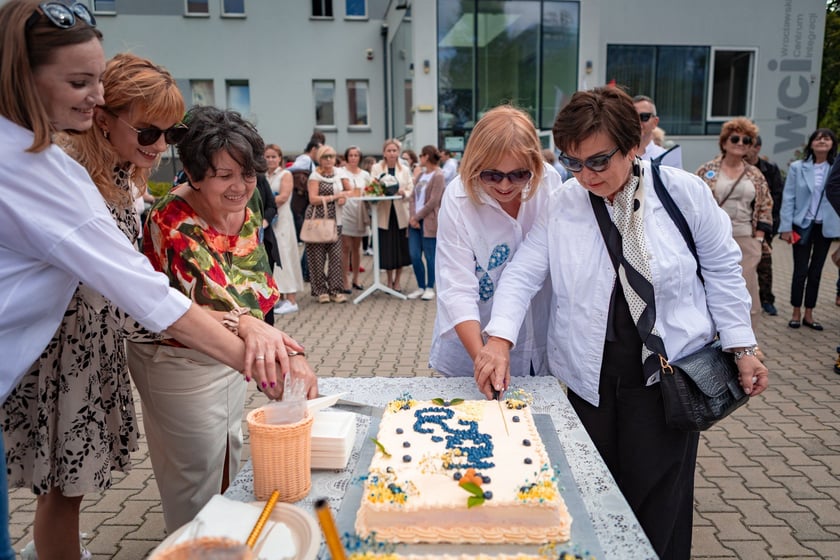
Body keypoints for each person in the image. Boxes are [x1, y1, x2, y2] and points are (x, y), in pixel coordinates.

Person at [0, 2, 296, 558]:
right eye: (151, 130)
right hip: (65, 351)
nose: (163, 146)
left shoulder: (116, 172)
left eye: (174, 132)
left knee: (75, 487)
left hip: (98, 343)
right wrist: (254, 352)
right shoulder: (60, 174)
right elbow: (145, 293)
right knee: (66, 488)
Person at [476, 87, 768, 560]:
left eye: (598, 161)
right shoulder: (563, 203)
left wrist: (742, 347)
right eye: (572, 162)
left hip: (668, 380)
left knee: (659, 503)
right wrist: (499, 338)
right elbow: (524, 272)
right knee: (593, 496)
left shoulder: (682, 193)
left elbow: (722, 269)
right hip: (591, 381)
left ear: (633, 146)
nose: (585, 175)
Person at [126, 105, 319, 533]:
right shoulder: (172, 220)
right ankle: (192, 543)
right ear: (194, 174)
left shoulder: (247, 210)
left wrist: (281, 348)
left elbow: (253, 299)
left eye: (248, 174)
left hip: (233, 358)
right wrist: (283, 368)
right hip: (178, 361)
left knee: (229, 453)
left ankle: (227, 540)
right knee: (194, 476)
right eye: (224, 175)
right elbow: (207, 309)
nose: (240, 187)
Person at [429, 105, 560, 378]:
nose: (504, 186)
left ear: (534, 166)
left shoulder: (549, 183)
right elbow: (457, 288)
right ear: (475, 165)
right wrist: (484, 362)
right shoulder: (458, 198)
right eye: (492, 175)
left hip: (535, 337)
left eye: (519, 175)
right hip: (471, 344)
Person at [696, 117, 772, 353]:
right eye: (735, 138)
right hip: (714, 238)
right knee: (712, 286)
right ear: (724, 141)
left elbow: (766, 206)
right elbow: (694, 204)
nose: (740, 143)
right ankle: (717, 340)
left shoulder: (755, 175)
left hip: (746, 239)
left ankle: (749, 344)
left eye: (746, 140)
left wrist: (759, 238)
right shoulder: (707, 170)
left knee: (747, 289)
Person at [778, 128, 840, 331]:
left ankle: (809, 314)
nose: (822, 140)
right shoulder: (798, 167)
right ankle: (795, 312)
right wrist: (786, 227)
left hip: (825, 227)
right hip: (801, 224)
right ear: (811, 144)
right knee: (800, 270)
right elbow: (788, 198)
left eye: (827, 138)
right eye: (818, 138)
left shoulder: (836, 168)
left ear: (832, 144)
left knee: (816, 272)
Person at [305, 144, 352, 303]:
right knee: (317, 256)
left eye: (331, 156)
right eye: (325, 157)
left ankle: (335, 290)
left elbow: (350, 190)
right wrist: (334, 197)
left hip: (336, 220)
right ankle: (320, 291)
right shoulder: (315, 176)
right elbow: (313, 199)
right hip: (318, 219)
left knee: (336, 257)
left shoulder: (340, 173)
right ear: (320, 159)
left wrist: (344, 196)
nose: (329, 160)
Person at [747, 135, 785, 316]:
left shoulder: (769, 170)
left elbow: (777, 198)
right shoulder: (733, 168)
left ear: (758, 148)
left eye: (750, 144)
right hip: (741, 226)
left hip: (764, 226)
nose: (746, 148)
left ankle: (767, 300)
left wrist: (771, 228)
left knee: (765, 265)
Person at [370, 139, 413, 292]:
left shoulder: (405, 169)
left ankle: (398, 281)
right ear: (384, 153)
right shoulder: (376, 168)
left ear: (398, 152)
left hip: (400, 212)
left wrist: (404, 193)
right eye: (389, 150)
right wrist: (380, 190)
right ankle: (388, 281)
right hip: (384, 213)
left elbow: (410, 188)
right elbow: (372, 185)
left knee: (400, 248)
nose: (392, 153)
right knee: (387, 248)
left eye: (394, 150)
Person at [265, 144, 303, 315]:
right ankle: (280, 297)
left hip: (283, 221)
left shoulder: (285, 174)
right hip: (269, 220)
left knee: (285, 256)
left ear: (280, 158)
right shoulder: (265, 176)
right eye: (268, 156)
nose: (271, 160)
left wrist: (266, 205)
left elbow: (283, 196)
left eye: (274, 156)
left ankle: (291, 299)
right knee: (274, 257)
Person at [406, 145, 446, 301]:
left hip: (429, 221)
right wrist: (412, 217)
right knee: (414, 255)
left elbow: (434, 201)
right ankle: (420, 286)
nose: (420, 158)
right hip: (414, 222)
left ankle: (430, 287)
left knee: (430, 256)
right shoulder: (420, 175)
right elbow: (412, 197)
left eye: (421, 155)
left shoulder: (438, 175)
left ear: (427, 157)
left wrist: (418, 217)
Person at [340, 146, 371, 291]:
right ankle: (344, 280)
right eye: (351, 155)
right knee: (345, 247)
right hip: (346, 211)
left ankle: (356, 279)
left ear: (359, 157)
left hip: (360, 211)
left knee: (357, 248)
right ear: (347, 157)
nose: (353, 158)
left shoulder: (365, 174)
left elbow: (370, 191)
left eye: (356, 155)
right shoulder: (341, 172)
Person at [633, 95, 682, 169]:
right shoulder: (618, 156)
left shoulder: (666, 159)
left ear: (655, 122)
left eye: (644, 117)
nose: (638, 122)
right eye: (633, 117)